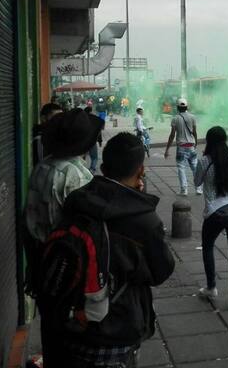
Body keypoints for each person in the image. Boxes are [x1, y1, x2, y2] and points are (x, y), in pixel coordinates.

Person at [58, 132, 176, 367]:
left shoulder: (76, 200)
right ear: (141, 171)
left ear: (103, 167)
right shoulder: (144, 221)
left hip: (71, 319)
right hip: (117, 328)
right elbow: (161, 271)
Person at [24, 109, 104, 366]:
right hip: (68, 264)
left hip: (42, 258)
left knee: (50, 324)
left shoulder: (42, 167)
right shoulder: (75, 175)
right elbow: (87, 228)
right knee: (73, 331)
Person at [194, 126, 228, 311]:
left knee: (208, 246)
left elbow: (197, 182)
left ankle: (211, 287)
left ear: (209, 141)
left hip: (215, 213)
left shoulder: (204, 161)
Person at [164, 98, 200, 195]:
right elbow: (195, 132)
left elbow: (172, 135)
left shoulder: (175, 118)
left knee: (181, 168)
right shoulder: (192, 117)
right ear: (187, 107)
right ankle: (198, 189)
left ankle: (184, 190)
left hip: (181, 147)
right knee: (195, 167)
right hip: (191, 146)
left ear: (177, 108)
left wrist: (167, 149)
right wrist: (196, 142)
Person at [32, 102, 63, 166]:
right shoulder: (39, 139)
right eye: (55, 118)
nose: (59, 121)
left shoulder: (56, 136)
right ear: (43, 118)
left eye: (61, 118)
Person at [84, 106, 103, 173]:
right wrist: (100, 141)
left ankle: (82, 169)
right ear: (91, 111)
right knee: (94, 157)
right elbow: (99, 132)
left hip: (82, 141)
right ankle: (92, 169)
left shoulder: (81, 119)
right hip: (92, 141)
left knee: (82, 157)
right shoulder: (96, 120)